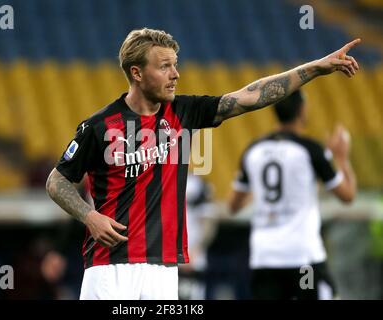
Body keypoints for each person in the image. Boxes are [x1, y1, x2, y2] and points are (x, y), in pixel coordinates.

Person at [45, 28, 361, 300]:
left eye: (175, 65)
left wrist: (316, 68)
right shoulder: (99, 126)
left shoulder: (185, 111)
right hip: (110, 267)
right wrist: (90, 217)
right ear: (137, 73)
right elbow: (56, 181)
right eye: (165, 66)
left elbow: (253, 95)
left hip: (164, 269)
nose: (175, 74)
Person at [229, 90, 357, 299]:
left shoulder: (253, 150)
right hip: (302, 258)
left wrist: (258, 190)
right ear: (302, 110)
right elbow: (347, 196)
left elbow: (233, 206)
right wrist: (342, 158)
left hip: (264, 259)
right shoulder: (311, 150)